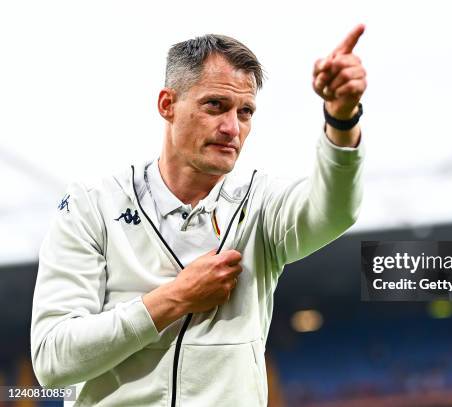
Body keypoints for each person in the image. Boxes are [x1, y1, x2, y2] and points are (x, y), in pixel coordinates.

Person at [30, 25, 366, 406]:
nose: (232, 128)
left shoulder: (262, 204)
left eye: (245, 112)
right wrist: (176, 297)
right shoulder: (91, 206)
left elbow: (336, 211)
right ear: (167, 105)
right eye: (215, 106)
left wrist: (341, 118)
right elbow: (53, 360)